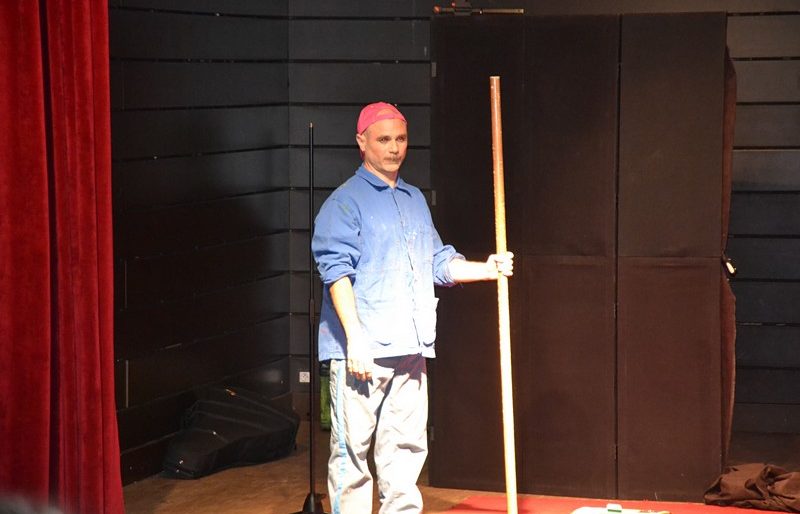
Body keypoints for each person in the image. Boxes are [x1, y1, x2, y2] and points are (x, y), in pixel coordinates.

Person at [311, 102, 513, 514]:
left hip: (410, 348)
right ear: (362, 142)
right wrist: (356, 340)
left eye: (401, 139)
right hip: (363, 354)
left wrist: (487, 269)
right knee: (352, 456)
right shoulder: (344, 202)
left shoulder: (413, 199)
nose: (394, 148)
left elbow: (437, 262)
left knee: (404, 454)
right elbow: (336, 273)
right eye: (384, 139)